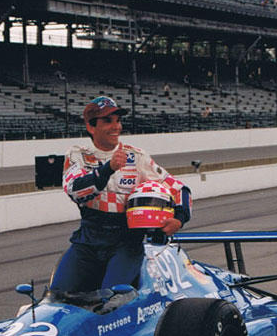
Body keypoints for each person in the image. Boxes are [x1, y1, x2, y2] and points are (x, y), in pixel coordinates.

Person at [50, 96, 192, 293]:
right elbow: (75, 191)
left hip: (126, 242)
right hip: (88, 240)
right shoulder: (78, 155)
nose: (116, 127)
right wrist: (108, 169)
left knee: (113, 298)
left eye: (117, 120)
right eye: (108, 121)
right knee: (56, 295)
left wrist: (179, 219)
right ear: (91, 127)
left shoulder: (136, 156)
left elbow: (179, 190)